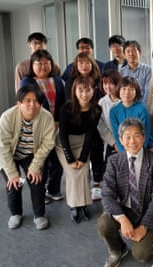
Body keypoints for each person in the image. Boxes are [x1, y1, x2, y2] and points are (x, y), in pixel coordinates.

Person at [97, 118, 153, 267]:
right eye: (127, 136)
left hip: (147, 214)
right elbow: (107, 194)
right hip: (125, 211)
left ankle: (150, 236)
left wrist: (144, 227)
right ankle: (118, 250)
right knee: (103, 223)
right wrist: (122, 219)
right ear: (121, 140)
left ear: (143, 137)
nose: (132, 141)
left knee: (141, 256)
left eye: (136, 135)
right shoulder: (114, 161)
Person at [0, 84, 55, 230]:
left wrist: (35, 167)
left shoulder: (46, 117)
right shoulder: (7, 117)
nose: (32, 105)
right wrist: (12, 173)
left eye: (36, 101)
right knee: (14, 184)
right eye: (27, 100)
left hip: (31, 153)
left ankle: (39, 215)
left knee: (37, 181)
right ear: (19, 103)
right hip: (8, 154)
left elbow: (47, 144)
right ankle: (15, 213)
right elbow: (2, 147)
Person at [20, 49, 66, 204]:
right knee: (42, 161)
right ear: (32, 65)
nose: (43, 66)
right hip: (38, 128)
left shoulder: (58, 80)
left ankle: (53, 189)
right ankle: (42, 190)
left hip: (57, 126)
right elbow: (28, 106)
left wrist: (59, 120)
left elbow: (62, 103)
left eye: (47, 63)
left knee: (58, 161)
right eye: (39, 63)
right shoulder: (27, 82)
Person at [56, 76, 102, 224]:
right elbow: (62, 134)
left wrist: (82, 158)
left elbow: (90, 135)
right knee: (72, 172)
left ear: (93, 90)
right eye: (80, 90)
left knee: (82, 170)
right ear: (74, 91)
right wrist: (70, 158)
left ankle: (83, 204)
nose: (84, 94)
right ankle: (75, 206)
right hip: (64, 143)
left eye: (87, 90)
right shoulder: (65, 108)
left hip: (83, 142)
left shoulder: (96, 109)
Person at [63, 52, 105, 195]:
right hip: (77, 121)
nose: (84, 66)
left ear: (92, 64)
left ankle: (97, 183)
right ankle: (83, 184)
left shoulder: (98, 80)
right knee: (81, 159)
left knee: (97, 151)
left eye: (87, 63)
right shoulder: (71, 82)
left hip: (94, 118)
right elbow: (72, 103)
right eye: (81, 63)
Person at [109, 76, 153, 152]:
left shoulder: (142, 109)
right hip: (124, 150)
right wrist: (124, 154)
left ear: (136, 92)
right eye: (124, 89)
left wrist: (138, 153)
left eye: (131, 89)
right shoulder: (114, 111)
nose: (127, 92)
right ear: (118, 90)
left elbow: (145, 134)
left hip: (145, 148)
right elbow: (117, 135)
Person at [95, 69, 122, 200]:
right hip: (112, 143)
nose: (108, 86)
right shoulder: (101, 102)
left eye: (111, 83)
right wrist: (113, 142)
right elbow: (101, 126)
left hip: (127, 142)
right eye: (105, 83)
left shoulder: (124, 99)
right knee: (110, 171)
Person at [119, 40, 152, 105]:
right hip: (126, 106)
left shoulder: (148, 70)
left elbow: (148, 92)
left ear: (139, 53)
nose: (131, 53)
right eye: (128, 51)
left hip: (142, 106)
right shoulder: (121, 72)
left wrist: (141, 108)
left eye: (134, 51)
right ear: (124, 55)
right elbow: (120, 92)